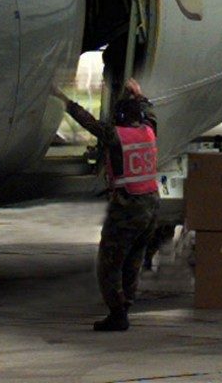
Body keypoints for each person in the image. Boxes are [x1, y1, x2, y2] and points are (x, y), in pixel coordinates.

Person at [54, 78, 160, 331]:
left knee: (109, 264)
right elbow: (150, 114)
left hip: (126, 208)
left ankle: (116, 312)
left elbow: (89, 123)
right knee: (134, 260)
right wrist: (139, 96)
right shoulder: (149, 131)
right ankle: (126, 306)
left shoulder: (117, 136)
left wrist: (64, 101)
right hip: (152, 205)